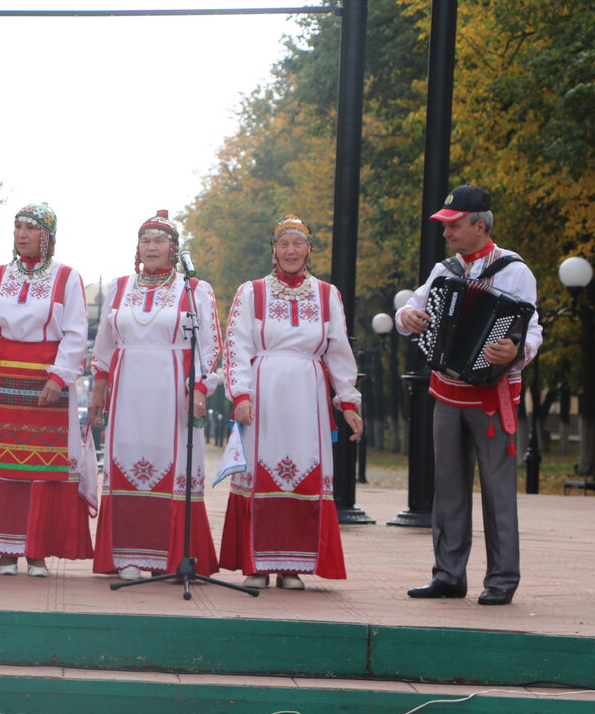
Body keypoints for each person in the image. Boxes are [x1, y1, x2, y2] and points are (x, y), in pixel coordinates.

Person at [397, 185, 542, 606]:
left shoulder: (515, 270)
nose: (447, 234)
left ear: (480, 224)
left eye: (454, 225)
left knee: (498, 490)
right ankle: (448, 575)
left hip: (492, 395)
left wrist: (517, 349)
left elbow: (532, 329)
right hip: (447, 392)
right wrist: (408, 315)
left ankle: (501, 580)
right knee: (448, 488)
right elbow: (410, 314)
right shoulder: (444, 270)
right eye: (445, 226)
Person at [220, 216, 363, 590]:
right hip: (264, 393)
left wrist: (348, 401)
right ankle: (255, 563)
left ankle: (291, 566)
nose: (290, 251)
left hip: (309, 397)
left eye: (298, 244)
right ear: (274, 251)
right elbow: (236, 346)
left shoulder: (327, 294)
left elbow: (339, 349)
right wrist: (241, 394)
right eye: (283, 244)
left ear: (309, 251)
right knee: (260, 470)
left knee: (304, 470)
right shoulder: (252, 292)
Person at [88, 211, 222, 581]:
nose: (151, 247)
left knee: (170, 466)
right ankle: (128, 555)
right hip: (128, 387)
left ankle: (171, 555)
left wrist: (199, 387)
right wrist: (100, 385)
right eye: (145, 241)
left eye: (159, 241)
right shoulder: (119, 286)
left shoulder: (195, 288)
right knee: (128, 462)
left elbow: (210, 345)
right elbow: (105, 341)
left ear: (174, 249)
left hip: (172, 391)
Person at [0, 202, 92, 577]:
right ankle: (6, 551)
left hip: (44, 380)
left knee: (41, 469)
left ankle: (36, 552)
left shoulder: (67, 276)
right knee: (0, 466)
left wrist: (59, 376)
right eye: (17, 227)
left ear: (47, 236)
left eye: (30, 228)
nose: (21, 234)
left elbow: (75, 332)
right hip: (1, 379)